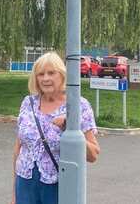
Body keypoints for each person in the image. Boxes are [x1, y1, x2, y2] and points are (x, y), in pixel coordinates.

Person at [11, 51, 100, 204]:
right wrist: (14, 194)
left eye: (51, 73)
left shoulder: (78, 105)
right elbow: (18, 149)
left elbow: (93, 155)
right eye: (41, 74)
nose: (46, 78)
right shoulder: (28, 102)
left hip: (58, 187)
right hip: (25, 184)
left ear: (62, 75)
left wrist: (71, 130)